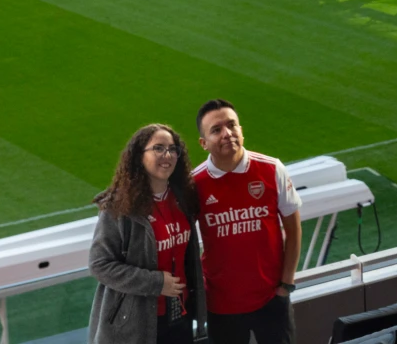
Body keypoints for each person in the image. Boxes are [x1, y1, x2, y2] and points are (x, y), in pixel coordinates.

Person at [193, 100, 301, 344]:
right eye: (216, 129)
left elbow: (293, 230)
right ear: (203, 143)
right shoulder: (194, 184)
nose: (227, 133)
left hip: (272, 298)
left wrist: (286, 284)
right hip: (221, 304)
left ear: (241, 130)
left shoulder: (272, 169)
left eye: (232, 125)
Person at [88, 124, 203, 344]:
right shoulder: (119, 206)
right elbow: (99, 264)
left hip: (180, 317)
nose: (166, 155)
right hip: (137, 324)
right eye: (158, 148)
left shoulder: (183, 198)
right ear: (139, 156)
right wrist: (156, 282)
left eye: (172, 149)